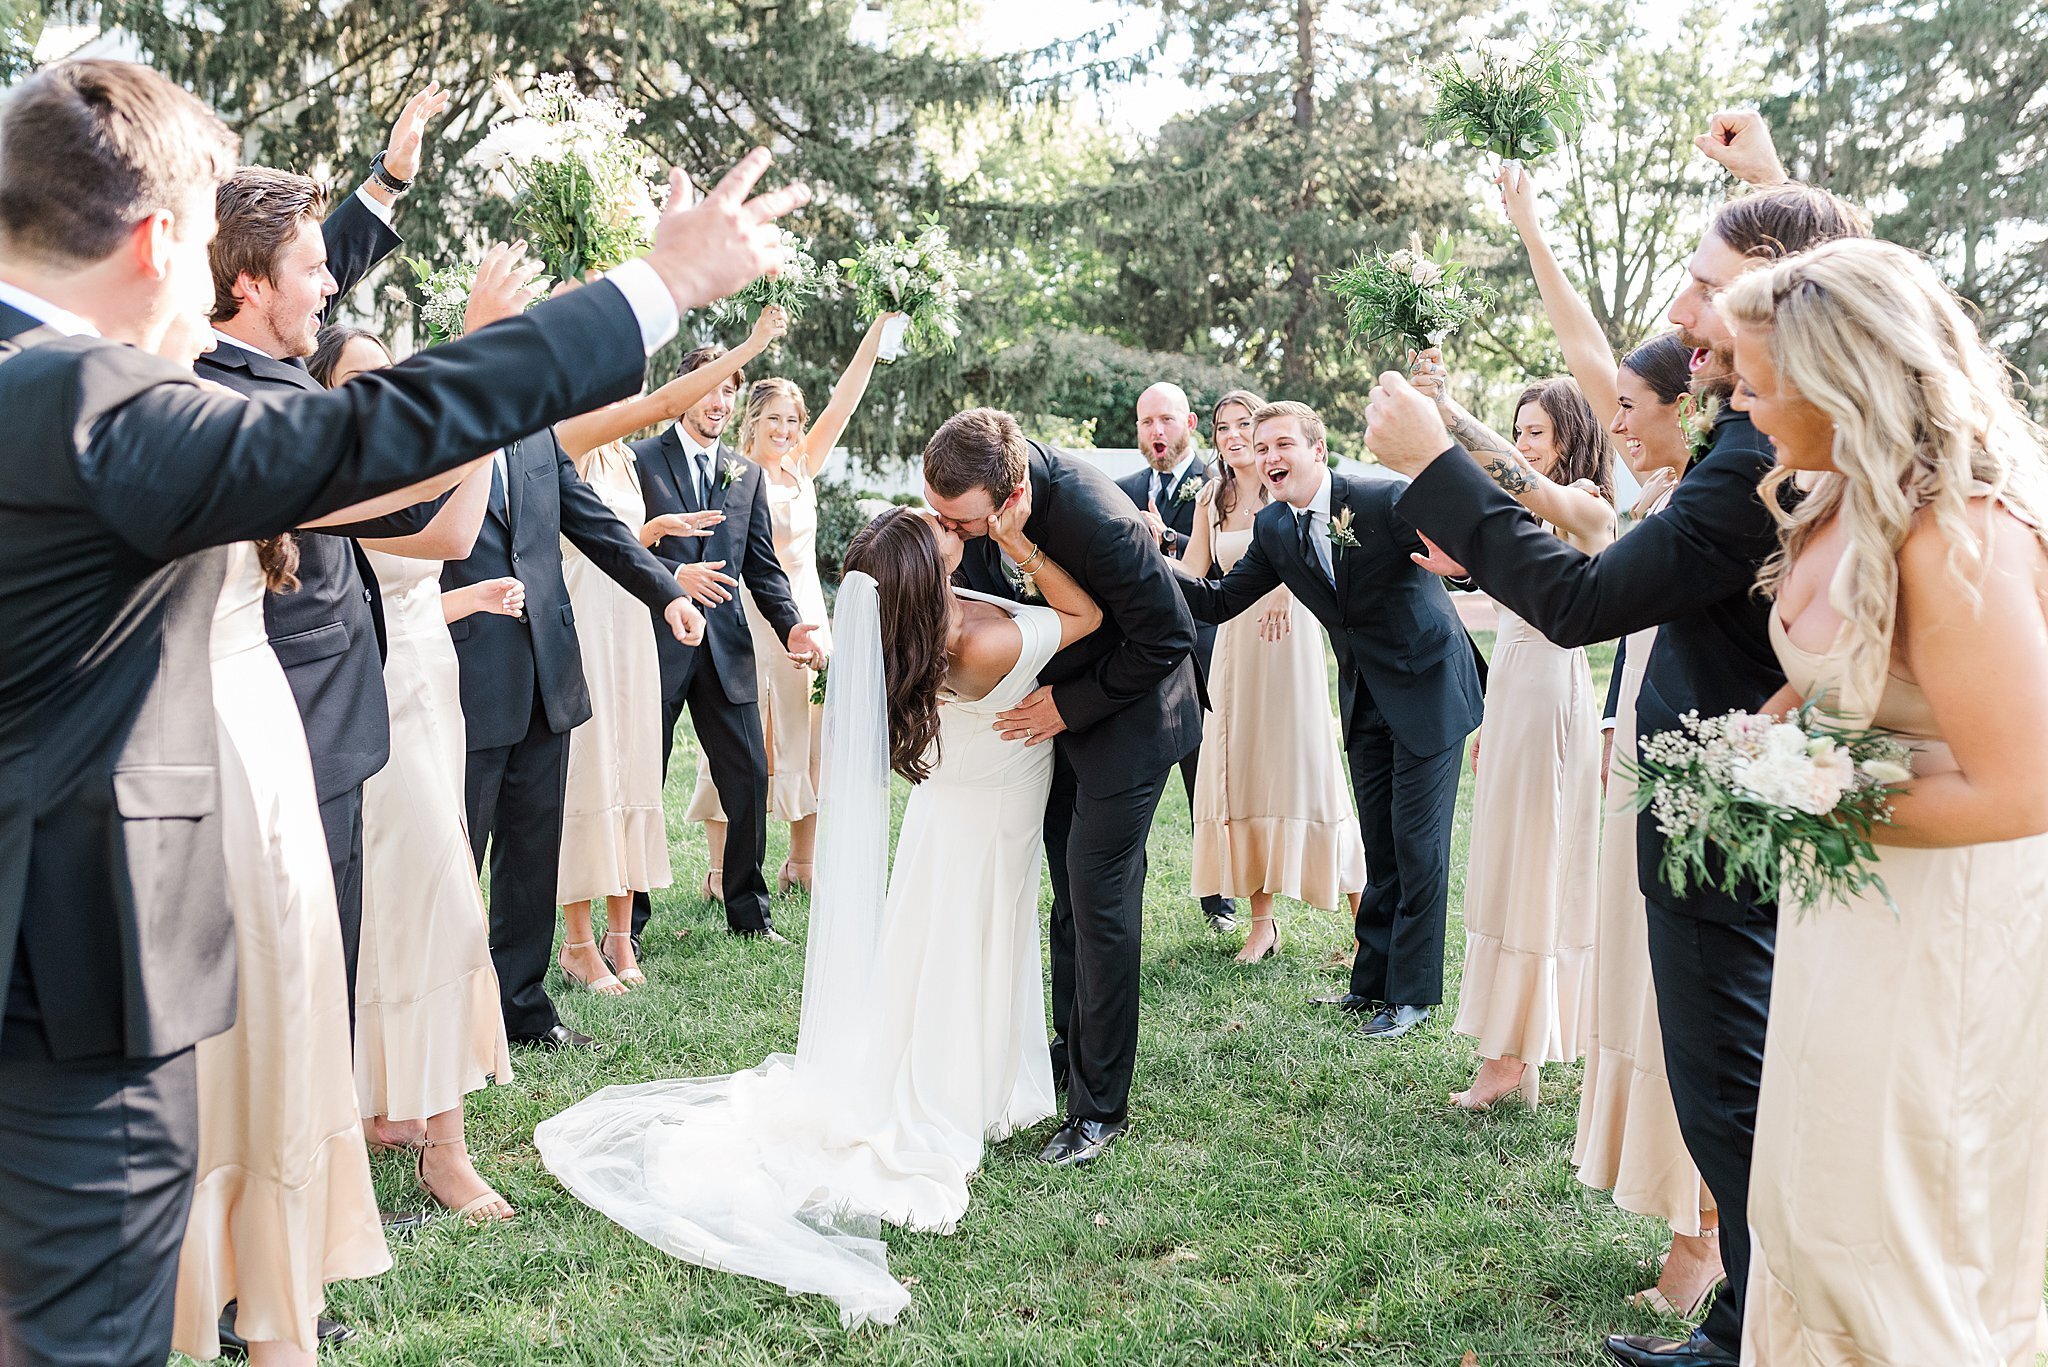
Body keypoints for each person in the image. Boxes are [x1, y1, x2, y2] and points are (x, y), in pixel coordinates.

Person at [0, 57, 795, 1367]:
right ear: (155, 245)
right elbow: (378, 428)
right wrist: (661, 284)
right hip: (74, 974)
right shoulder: (89, 404)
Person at [1362, 137, 1867, 1366]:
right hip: (1732, 793)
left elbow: (1583, 599)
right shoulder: (1765, 428)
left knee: (1730, 1090)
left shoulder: (1754, 453)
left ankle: (1759, 1329)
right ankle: (1746, 1318)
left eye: (1703, 284)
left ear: (1778, 293)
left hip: (1734, 807)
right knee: (1728, 1088)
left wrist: (1432, 466)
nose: (1680, 310)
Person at [535, 504, 1102, 1325]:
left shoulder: (932, 622)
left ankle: (983, 1075)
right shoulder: (977, 644)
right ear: (926, 570)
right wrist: (1019, 542)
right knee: (960, 945)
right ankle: (954, 1085)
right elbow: (1083, 616)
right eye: (938, 525)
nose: (950, 522)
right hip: (985, 817)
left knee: (947, 947)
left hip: (967, 811)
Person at [1725, 238, 2048, 1365]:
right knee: (1816, 1203)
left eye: (1756, 378)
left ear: (1836, 380)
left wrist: (1803, 799)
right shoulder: (1835, 500)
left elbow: (2022, 787)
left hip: (1943, 933)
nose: (1737, 395)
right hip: (1848, 911)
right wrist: (1764, 733)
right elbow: (1846, 670)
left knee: (1902, 1222)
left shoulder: (1957, 538)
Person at [1492, 158, 1723, 1314]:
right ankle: (1686, 1218)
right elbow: (1590, 350)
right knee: (1642, 979)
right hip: (1631, 745)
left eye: (1632, 410)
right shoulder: (1655, 492)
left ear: (1690, 409)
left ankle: (1704, 1234)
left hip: (1694, 765)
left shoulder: (1718, 499)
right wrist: (1530, 230)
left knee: (1691, 994)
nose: (1610, 422)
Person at [442, 305, 789, 1050]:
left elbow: (598, 529)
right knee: (457, 852)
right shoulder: (447, 431)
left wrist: (666, 594)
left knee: (533, 855)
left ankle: (523, 1009)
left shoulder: (541, 444)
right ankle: (440, 1011)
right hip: (471, 673)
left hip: (553, 674)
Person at [195, 89, 449, 1026]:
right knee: (302, 990)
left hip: (320, 710)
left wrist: (385, 183)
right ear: (252, 287)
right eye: (311, 268)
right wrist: (495, 361)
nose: (333, 282)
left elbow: (302, 268)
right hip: (300, 720)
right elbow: (423, 506)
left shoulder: (250, 361)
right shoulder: (250, 397)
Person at [925, 408, 1204, 1165]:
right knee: (1069, 896)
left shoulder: (1098, 519)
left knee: (1101, 900)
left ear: (1011, 491)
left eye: (960, 520)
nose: (947, 530)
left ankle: (1100, 1110)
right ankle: (1073, 1041)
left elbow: (1169, 635)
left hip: (1130, 718)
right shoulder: (981, 513)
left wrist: (1069, 705)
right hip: (1057, 721)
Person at [1174, 401, 1483, 1040]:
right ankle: (1370, 985)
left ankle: (1414, 995)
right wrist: (1140, 567)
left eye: (1282, 444)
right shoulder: (1276, 532)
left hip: (1429, 686)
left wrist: (1465, 563)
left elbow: (1461, 548)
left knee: (1419, 847)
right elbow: (1222, 599)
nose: (1269, 458)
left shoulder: (1380, 499)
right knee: (1381, 845)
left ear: (1318, 450)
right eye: (1261, 449)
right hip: (1364, 695)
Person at [309, 318, 518, 1224]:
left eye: (385, 376)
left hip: (435, 688)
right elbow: (448, 536)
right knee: (439, 904)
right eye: (357, 379)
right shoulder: (335, 479)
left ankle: (387, 1104)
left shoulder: (396, 468)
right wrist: (487, 408)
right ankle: (445, 1145)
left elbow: (433, 580)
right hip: (375, 706)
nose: (378, 392)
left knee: (406, 902)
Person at [547, 308, 785, 989]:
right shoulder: (575, 443)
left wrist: (653, 548)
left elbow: (617, 542)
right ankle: (579, 941)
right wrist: (751, 345)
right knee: (594, 779)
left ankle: (623, 938)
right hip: (595, 630)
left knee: (632, 779)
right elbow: (580, 543)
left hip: (638, 630)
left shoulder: (621, 457)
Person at [1407, 363, 1612, 1110]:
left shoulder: (1583, 502)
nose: (1523, 446)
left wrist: (1445, 413)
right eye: (1518, 431)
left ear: (1568, 442)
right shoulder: (1528, 510)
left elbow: (1549, 585)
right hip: (1515, 682)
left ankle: (1511, 1062)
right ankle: (1512, 1048)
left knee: (1533, 864)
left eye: (1536, 434)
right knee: (1504, 861)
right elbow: (1517, 587)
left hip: (1551, 689)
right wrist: (1467, 569)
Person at [684, 310, 901, 896]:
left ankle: (801, 864)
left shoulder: (803, 469)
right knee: (737, 734)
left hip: (804, 617)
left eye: (792, 420)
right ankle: (719, 868)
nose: (784, 429)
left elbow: (846, 401)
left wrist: (875, 333)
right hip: (746, 616)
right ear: (751, 421)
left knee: (808, 735)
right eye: (774, 419)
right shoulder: (729, 474)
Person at [629, 342, 809, 943]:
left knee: (749, 774)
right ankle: (628, 918)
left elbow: (761, 567)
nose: (720, 400)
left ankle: (749, 914)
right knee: (640, 777)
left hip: (727, 648)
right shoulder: (640, 460)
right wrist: (667, 580)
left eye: (730, 389)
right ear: (684, 391)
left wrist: (790, 626)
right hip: (656, 642)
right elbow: (620, 547)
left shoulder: (747, 473)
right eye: (710, 386)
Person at [1180, 389, 1365, 962]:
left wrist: (1289, 589)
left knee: (1312, 766)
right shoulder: (1211, 497)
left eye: (1245, 426)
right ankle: (1262, 922)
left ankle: (1366, 919)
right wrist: (1142, 556)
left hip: (1289, 643)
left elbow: (1315, 558)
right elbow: (1193, 572)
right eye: (1224, 427)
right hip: (1236, 646)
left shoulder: (1288, 488)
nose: (1234, 437)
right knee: (1242, 772)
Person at [1117, 381, 1236, 933]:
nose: (1156, 431)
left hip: (1206, 652)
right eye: (1146, 423)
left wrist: (1162, 536)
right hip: (1141, 661)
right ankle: (1121, 888)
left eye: (1166, 420)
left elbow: (1218, 571)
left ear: (1190, 424)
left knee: (1205, 777)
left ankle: (1222, 898)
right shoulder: (1119, 491)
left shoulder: (1221, 486)